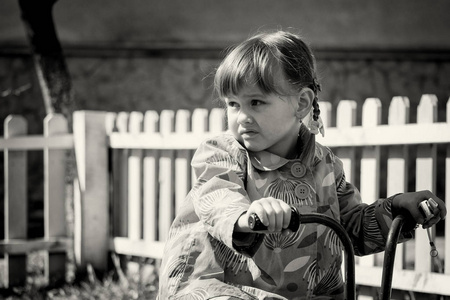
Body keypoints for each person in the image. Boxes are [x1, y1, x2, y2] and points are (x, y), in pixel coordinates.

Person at [157, 30, 446, 300]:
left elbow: (352, 229)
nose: (241, 116)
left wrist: (396, 209)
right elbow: (217, 198)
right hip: (222, 285)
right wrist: (247, 215)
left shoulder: (326, 165)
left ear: (302, 103)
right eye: (233, 104)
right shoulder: (222, 154)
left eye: (256, 102)